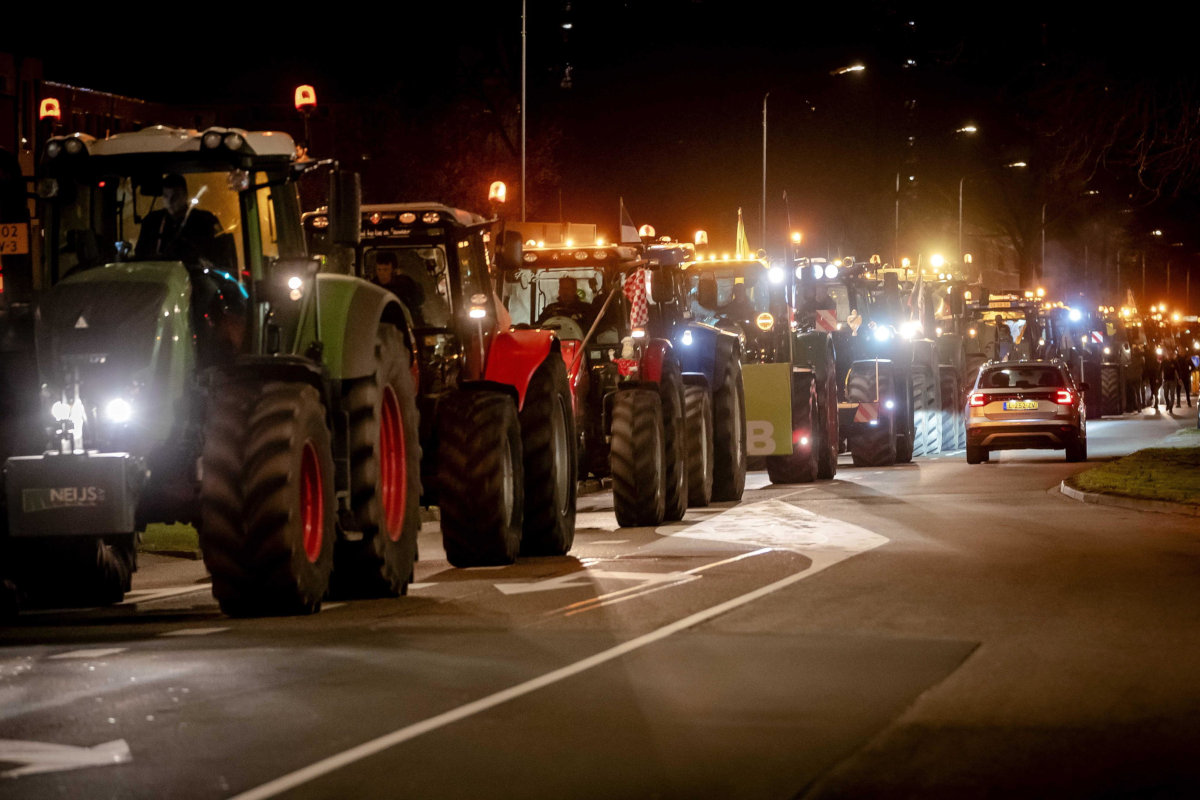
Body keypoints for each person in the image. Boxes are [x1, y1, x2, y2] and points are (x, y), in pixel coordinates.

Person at [135, 174, 220, 265]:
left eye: (175, 196)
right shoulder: (152, 222)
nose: (170, 201)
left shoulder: (205, 221)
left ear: (185, 196)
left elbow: (218, 254)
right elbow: (140, 254)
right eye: (166, 196)